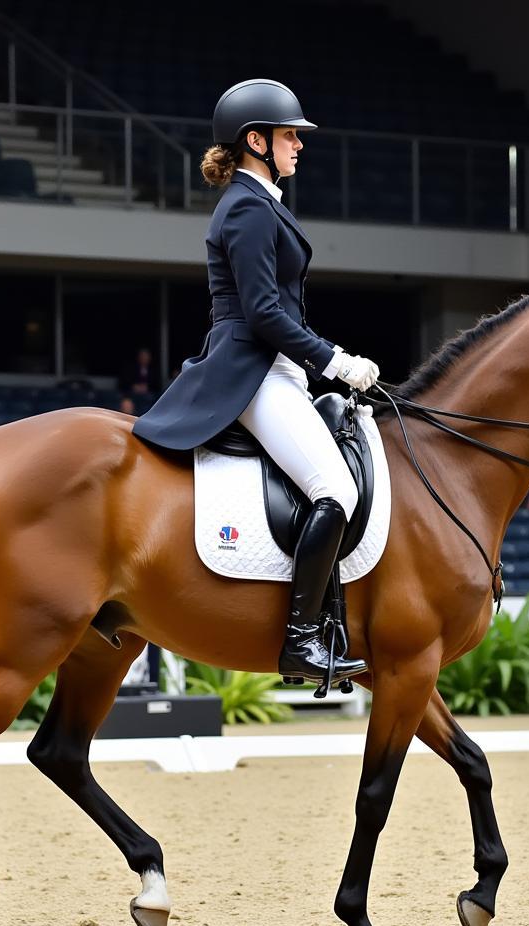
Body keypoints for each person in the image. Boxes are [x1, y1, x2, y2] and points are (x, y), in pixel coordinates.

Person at [132, 80, 378, 683]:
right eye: (290, 135)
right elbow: (264, 313)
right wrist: (335, 360)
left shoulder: (263, 201)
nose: (299, 145)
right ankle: (300, 641)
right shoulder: (245, 207)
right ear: (256, 141)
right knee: (336, 491)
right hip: (251, 371)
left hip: (276, 366)